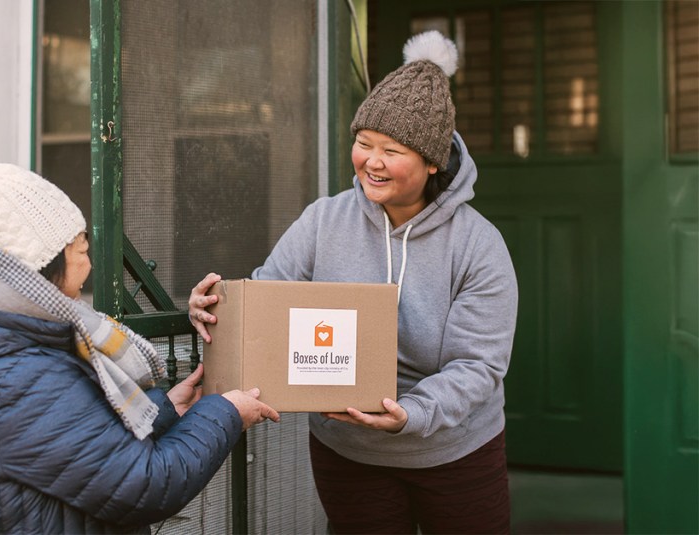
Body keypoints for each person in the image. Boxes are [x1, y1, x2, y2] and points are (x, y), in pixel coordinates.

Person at [188, 31, 518, 534]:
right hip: (348, 451)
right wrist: (218, 308)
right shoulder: (324, 221)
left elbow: (479, 365)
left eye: (393, 150)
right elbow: (266, 300)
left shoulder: (479, 245)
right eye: (364, 144)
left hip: (454, 451)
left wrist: (412, 414)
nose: (372, 161)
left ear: (433, 162)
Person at [0, 163, 279, 534]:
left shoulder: (12, 341)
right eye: (75, 242)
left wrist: (164, 410)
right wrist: (225, 413)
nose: (87, 249)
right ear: (38, 263)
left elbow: (82, 452)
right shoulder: (18, 376)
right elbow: (145, 484)